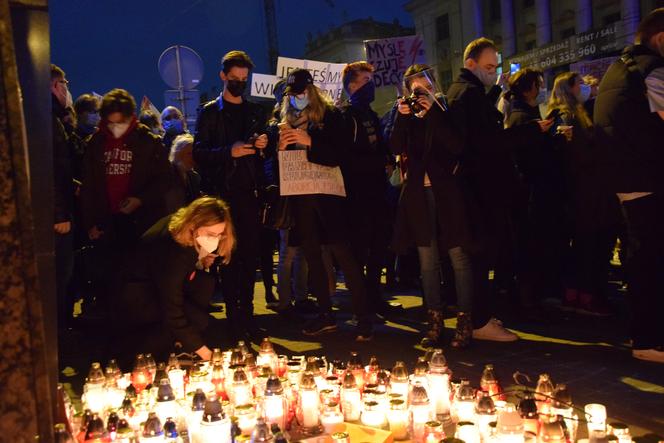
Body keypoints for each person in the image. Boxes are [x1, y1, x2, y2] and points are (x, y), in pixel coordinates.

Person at [446, 38, 553, 343]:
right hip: (480, 187)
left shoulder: (468, 92)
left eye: (496, 67)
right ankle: (479, 320)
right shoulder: (467, 94)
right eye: (489, 67)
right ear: (471, 64)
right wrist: (529, 131)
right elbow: (485, 143)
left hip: (477, 186)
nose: (494, 73)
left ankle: (478, 317)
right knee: (479, 257)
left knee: (479, 257)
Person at [277, 68, 372, 341]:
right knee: (312, 256)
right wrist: (280, 148)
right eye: (293, 95)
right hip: (302, 198)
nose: (298, 98)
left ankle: (363, 317)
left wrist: (310, 141)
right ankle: (325, 315)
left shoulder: (332, 116)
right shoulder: (284, 121)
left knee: (344, 255)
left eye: (302, 92)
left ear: (312, 90)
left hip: (329, 198)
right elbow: (278, 166)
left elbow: (340, 155)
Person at [593, 7, 664, 363]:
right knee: (650, 261)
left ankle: (646, 336)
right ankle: (650, 339)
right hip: (650, 177)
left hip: (626, 180)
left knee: (642, 259)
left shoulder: (616, 71)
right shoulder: (650, 70)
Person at [389, 64, 474, 347]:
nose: (419, 93)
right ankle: (434, 321)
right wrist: (402, 117)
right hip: (418, 194)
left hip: (447, 193)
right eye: (413, 89)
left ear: (433, 84)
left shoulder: (446, 109)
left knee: (458, 255)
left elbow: (456, 146)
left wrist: (433, 112)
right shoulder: (407, 116)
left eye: (423, 87)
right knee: (427, 260)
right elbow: (395, 146)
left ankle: (465, 321)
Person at [193, 50, 268, 341]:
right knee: (227, 258)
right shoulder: (210, 112)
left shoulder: (254, 112)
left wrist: (262, 143)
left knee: (250, 257)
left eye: (243, 79)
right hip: (222, 196)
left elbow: (265, 152)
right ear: (223, 76)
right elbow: (199, 153)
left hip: (249, 193)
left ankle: (247, 316)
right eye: (234, 78)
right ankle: (233, 318)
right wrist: (229, 152)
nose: (239, 83)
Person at [80, 88, 172, 317]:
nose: (115, 129)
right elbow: (89, 186)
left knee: (138, 281)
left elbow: (165, 180)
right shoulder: (96, 143)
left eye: (119, 123)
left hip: (140, 223)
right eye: (110, 124)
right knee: (108, 281)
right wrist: (90, 222)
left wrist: (140, 199)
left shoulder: (147, 142)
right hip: (106, 224)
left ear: (130, 118)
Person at [114, 197, 235, 362]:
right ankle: (151, 357)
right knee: (194, 318)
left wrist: (200, 260)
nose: (215, 240)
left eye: (219, 235)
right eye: (210, 234)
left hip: (152, 287)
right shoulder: (173, 253)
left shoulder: (181, 227)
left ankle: (180, 345)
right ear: (194, 225)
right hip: (138, 300)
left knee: (202, 293)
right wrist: (207, 354)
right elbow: (173, 311)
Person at [547, 72, 614, 317]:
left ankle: (576, 293)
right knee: (587, 245)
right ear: (570, 88)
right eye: (581, 84)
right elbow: (580, 156)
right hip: (584, 192)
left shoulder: (568, 114)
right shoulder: (569, 117)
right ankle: (584, 296)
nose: (584, 88)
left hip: (579, 192)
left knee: (583, 246)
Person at [503, 69, 566, 313]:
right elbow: (531, 157)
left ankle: (530, 295)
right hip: (530, 192)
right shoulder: (522, 118)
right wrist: (555, 142)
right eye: (538, 85)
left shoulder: (524, 114)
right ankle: (528, 298)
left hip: (530, 191)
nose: (540, 90)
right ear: (529, 87)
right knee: (530, 247)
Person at [339, 61, 392, 317]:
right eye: (366, 80)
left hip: (378, 191)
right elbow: (346, 157)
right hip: (357, 195)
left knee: (379, 246)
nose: (372, 85)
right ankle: (361, 301)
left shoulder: (372, 114)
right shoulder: (345, 116)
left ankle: (374, 296)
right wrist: (377, 161)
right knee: (360, 249)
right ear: (352, 86)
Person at [51, 64, 75, 332]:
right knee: (58, 278)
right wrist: (59, 213)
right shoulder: (48, 119)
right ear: (55, 86)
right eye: (65, 84)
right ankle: (57, 335)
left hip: (62, 208)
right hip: (58, 217)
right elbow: (51, 168)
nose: (67, 89)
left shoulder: (57, 119)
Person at [165, 133, 201, 211]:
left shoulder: (194, 177)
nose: (192, 158)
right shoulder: (167, 175)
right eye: (189, 154)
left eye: (194, 154)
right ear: (178, 154)